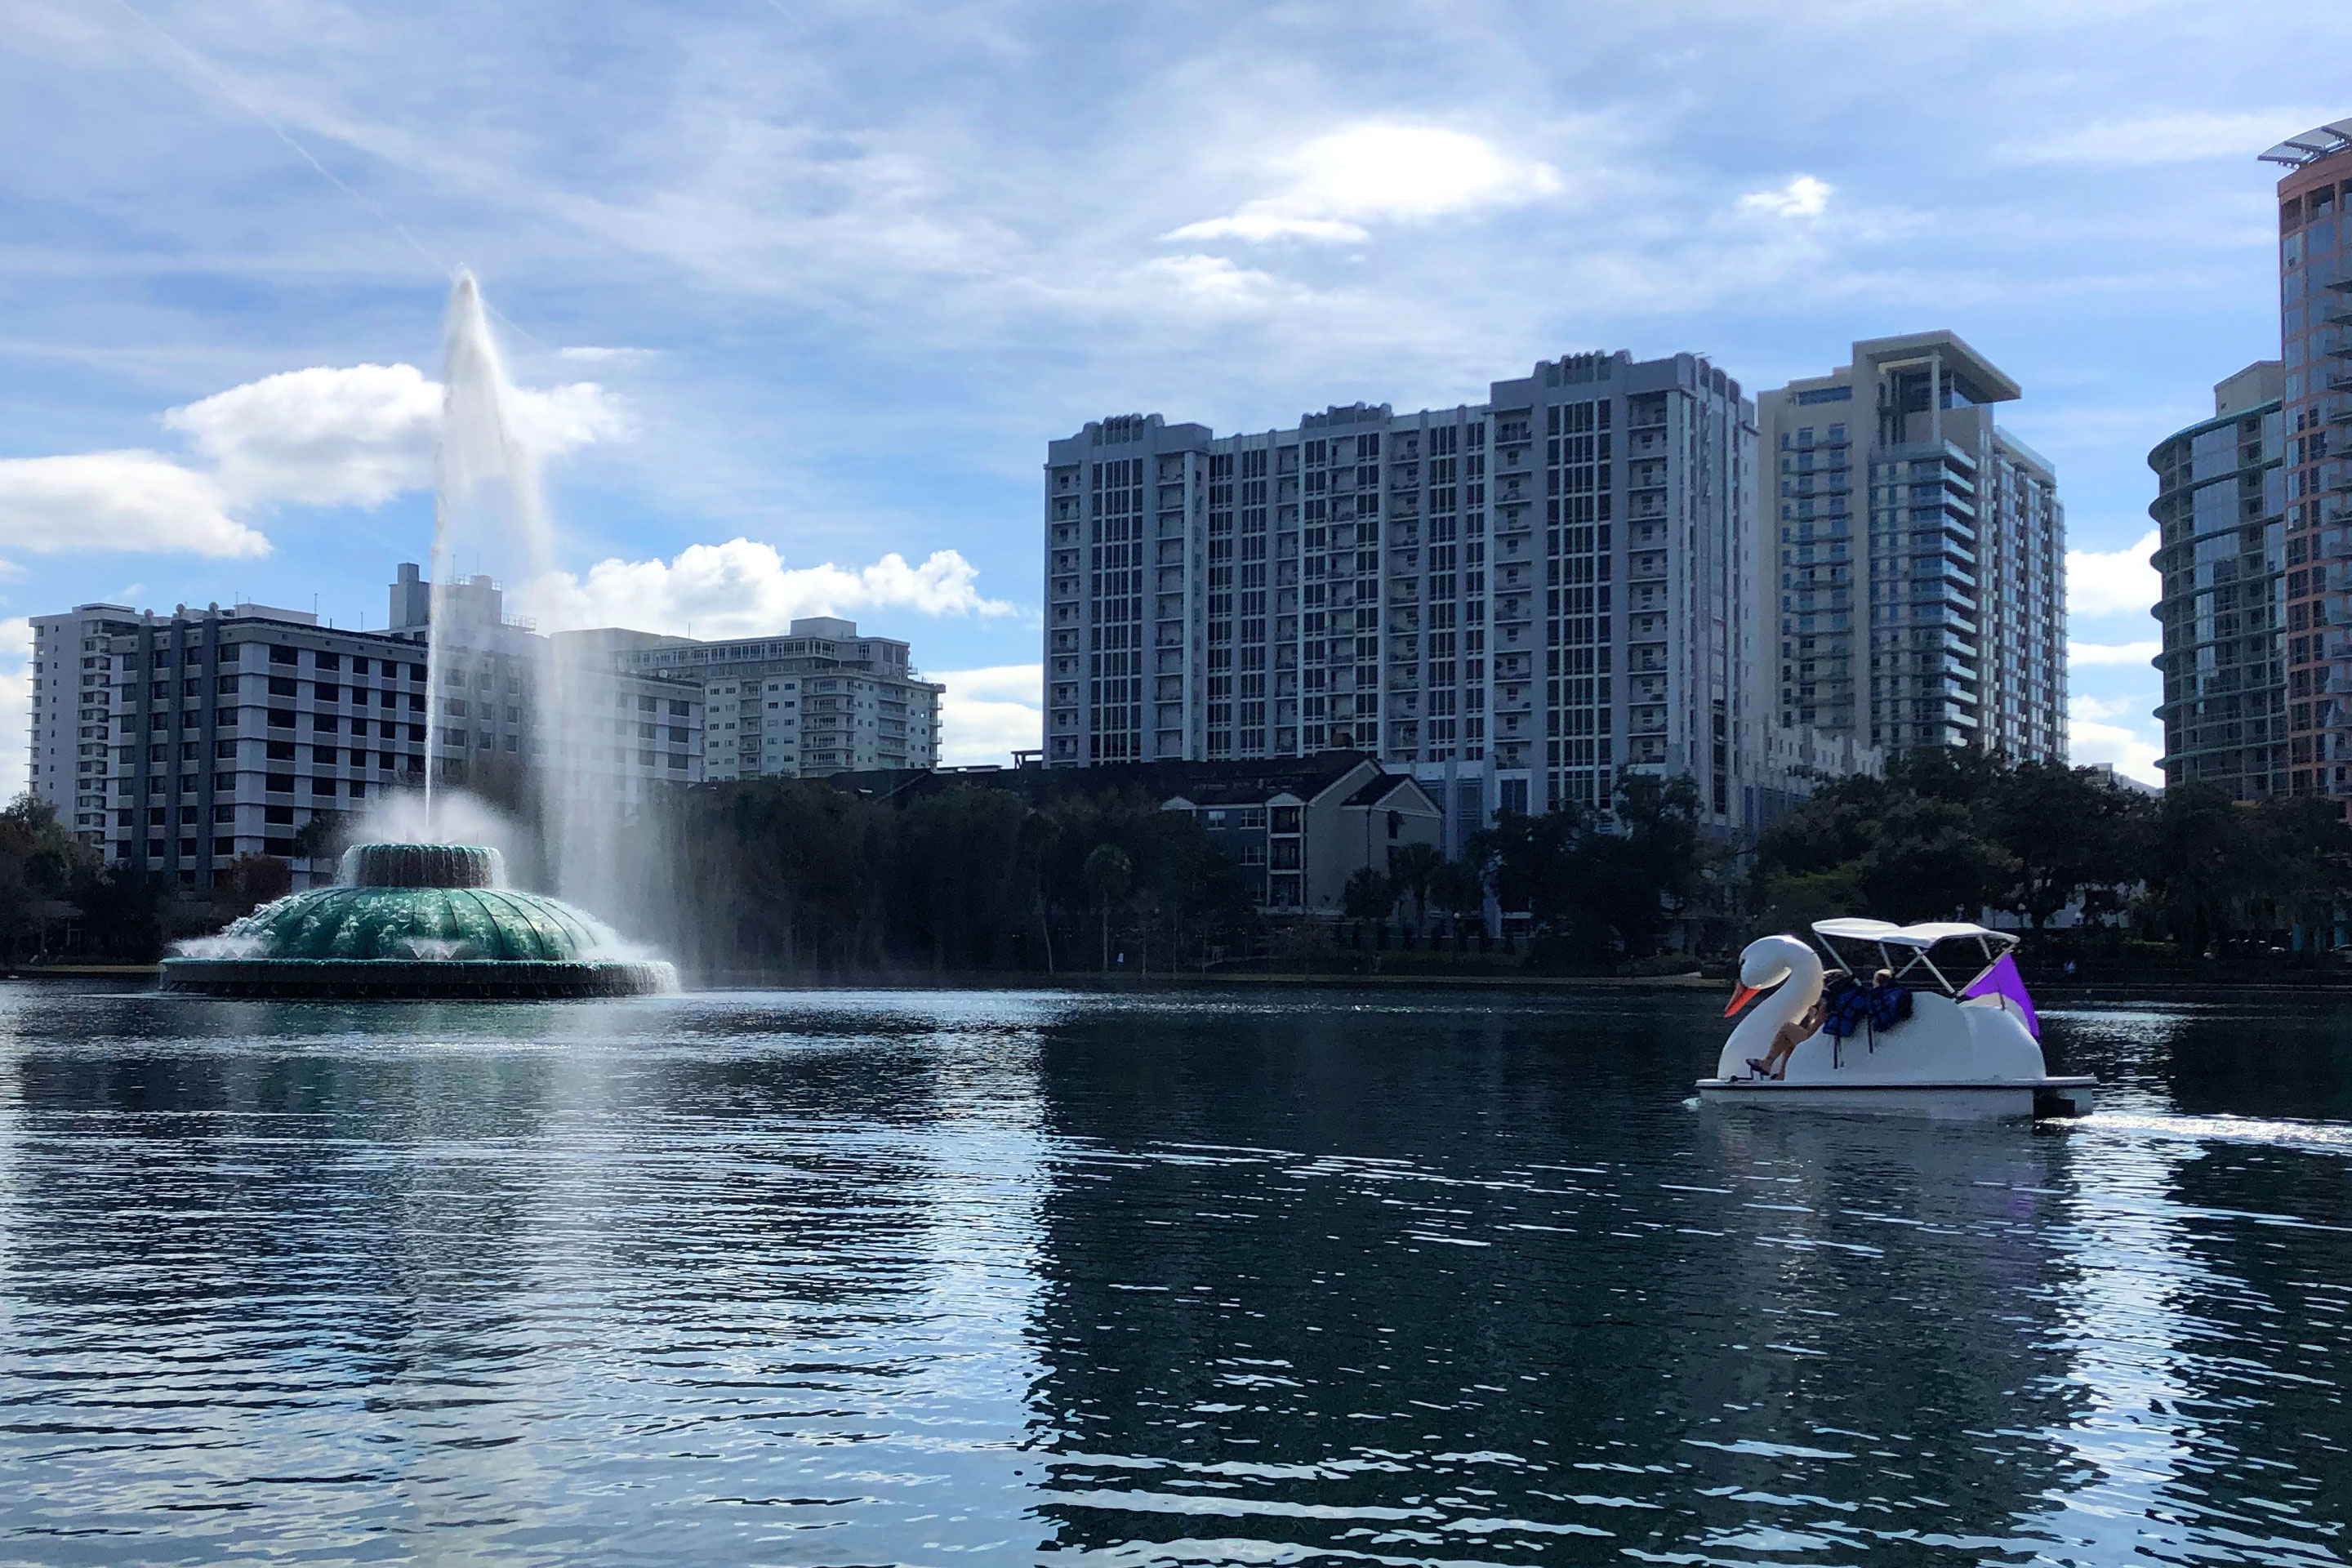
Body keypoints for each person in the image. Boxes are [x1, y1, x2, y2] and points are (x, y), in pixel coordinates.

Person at [1748, 998, 1824, 1081]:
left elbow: (1812, 1033)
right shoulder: (1836, 1005)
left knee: (1787, 1027)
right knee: (1790, 1038)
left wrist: (1810, 1017)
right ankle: (1782, 1076)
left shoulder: (1826, 1007)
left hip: (1819, 1045)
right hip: (1823, 1043)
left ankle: (1767, 1063)